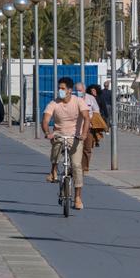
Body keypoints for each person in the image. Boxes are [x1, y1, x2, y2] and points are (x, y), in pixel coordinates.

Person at [42, 77, 90, 209]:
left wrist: (84, 134)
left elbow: (86, 118)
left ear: (70, 90)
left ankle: (78, 197)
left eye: (63, 88)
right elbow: (45, 120)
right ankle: (53, 171)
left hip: (75, 136)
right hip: (59, 134)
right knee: (55, 150)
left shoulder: (79, 101)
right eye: (59, 88)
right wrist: (47, 133)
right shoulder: (54, 103)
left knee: (76, 166)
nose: (60, 91)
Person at [74, 82, 104, 172]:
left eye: (80, 90)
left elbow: (96, 111)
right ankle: (76, 166)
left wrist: (93, 121)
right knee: (75, 148)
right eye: (76, 90)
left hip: (89, 127)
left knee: (87, 148)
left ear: (84, 89)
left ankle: (85, 167)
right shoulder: (73, 99)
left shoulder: (90, 98)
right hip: (76, 127)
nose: (78, 92)